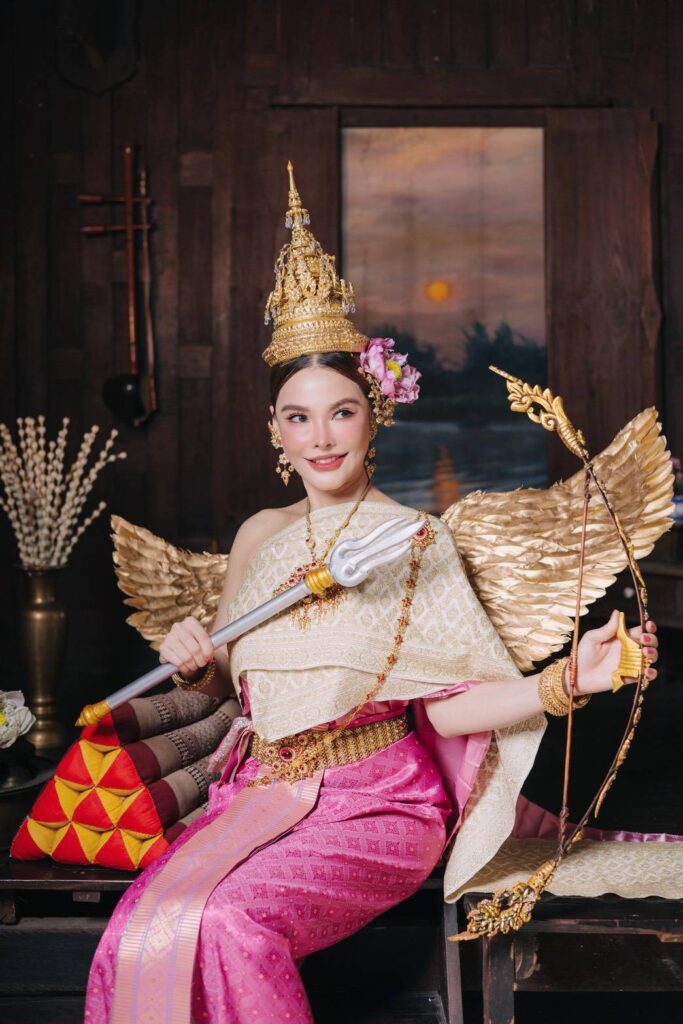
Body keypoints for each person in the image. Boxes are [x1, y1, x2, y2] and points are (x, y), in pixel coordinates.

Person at [84, 165, 659, 1024]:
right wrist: (195, 662)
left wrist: (565, 680)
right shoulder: (258, 536)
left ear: (373, 415)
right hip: (254, 796)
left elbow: (449, 709)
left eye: (341, 412)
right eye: (298, 416)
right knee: (142, 931)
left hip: (376, 803)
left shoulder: (412, 540)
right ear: (274, 429)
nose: (321, 437)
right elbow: (228, 686)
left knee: (232, 923)